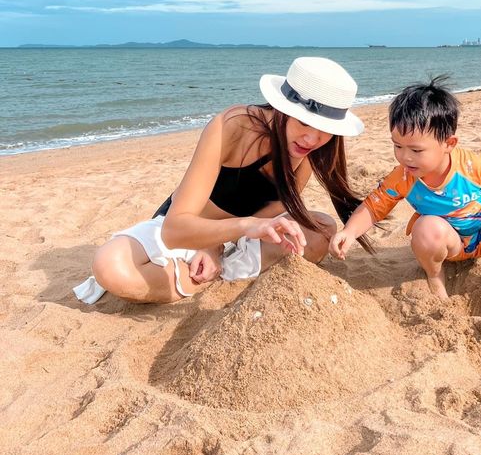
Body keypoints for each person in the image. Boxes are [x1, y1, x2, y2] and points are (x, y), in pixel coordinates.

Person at [73, 57, 368, 305]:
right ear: (283, 109)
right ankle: (208, 272)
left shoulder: (309, 152)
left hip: (239, 240)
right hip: (187, 230)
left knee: (323, 229)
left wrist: (229, 241)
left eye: (325, 129)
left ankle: (207, 275)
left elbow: (272, 213)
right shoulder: (234, 126)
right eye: (305, 122)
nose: (312, 139)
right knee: (109, 267)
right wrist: (215, 242)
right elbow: (174, 230)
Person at [329, 77, 481, 324]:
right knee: (425, 226)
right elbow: (373, 206)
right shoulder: (402, 177)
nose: (405, 157)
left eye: (416, 150)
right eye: (397, 146)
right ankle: (435, 276)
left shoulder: (470, 165)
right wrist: (349, 232)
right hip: (448, 245)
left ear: (448, 144)